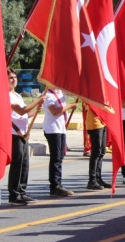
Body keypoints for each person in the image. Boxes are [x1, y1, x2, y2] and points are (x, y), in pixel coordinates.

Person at [7, 68, 43, 206]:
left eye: (15, 77)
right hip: (14, 133)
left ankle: (22, 191)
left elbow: (24, 114)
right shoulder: (6, 95)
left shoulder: (17, 95)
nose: (13, 79)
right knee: (17, 164)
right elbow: (21, 110)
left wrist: (35, 111)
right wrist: (37, 101)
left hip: (23, 133)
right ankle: (14, 194)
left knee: (24, 164)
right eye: (10, 77)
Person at [43, 87, 77, 197]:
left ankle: (58, 183)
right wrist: (70, 106)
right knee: (56, 158)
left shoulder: (60, 92)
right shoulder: (48, 94)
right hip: (52, 129)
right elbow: (54, 111)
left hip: (60, 129)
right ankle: (55, 186)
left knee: (60, 157)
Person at [84, 104, 111, 190]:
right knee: (96, 152)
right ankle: (92, 180)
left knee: (102, 151)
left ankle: (98, 178)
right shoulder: (90, 93)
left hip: (102, 121)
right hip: (94, 123)